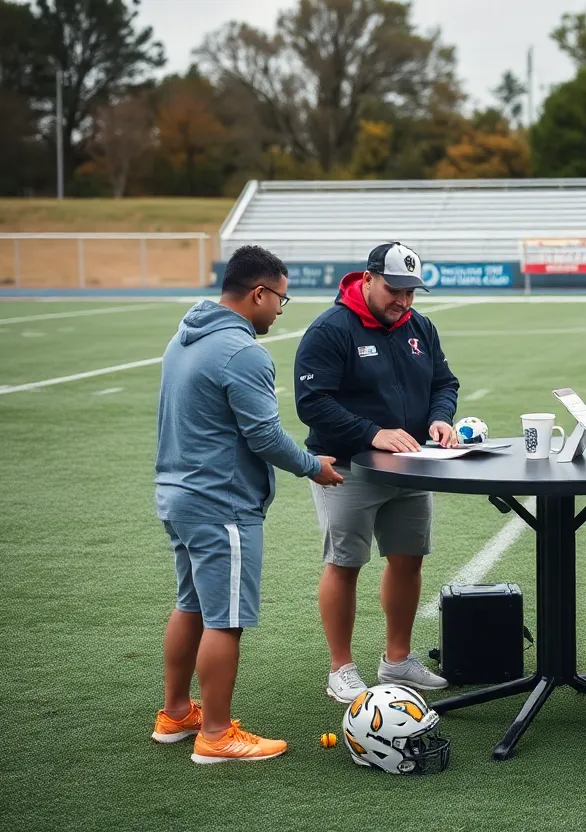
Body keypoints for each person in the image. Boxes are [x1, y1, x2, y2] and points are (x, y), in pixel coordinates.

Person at [152, 244, 344, 764]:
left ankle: (176, 713)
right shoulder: (243, 352)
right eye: (281, 300)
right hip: (222, 504)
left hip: (178, 494)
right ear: (258, 294)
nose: (280, 312)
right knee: (226, 619)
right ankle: (215, 734)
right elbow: (265, 436)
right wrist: (314, 467)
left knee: (190, 604)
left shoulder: (183, 336)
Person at [294, 241, 459, 703]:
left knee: (409, 559)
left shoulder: (419, 326)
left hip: (411, 468)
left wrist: (439, 418)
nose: (403, 302)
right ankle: (340, 668)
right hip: (347, 469)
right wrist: (372, 433)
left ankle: (397, 660)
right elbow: (312, 403)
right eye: (394, 290)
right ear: (366, 279)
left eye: (411, 292)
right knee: (345, 565)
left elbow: (444, 383)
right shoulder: (331, 329)